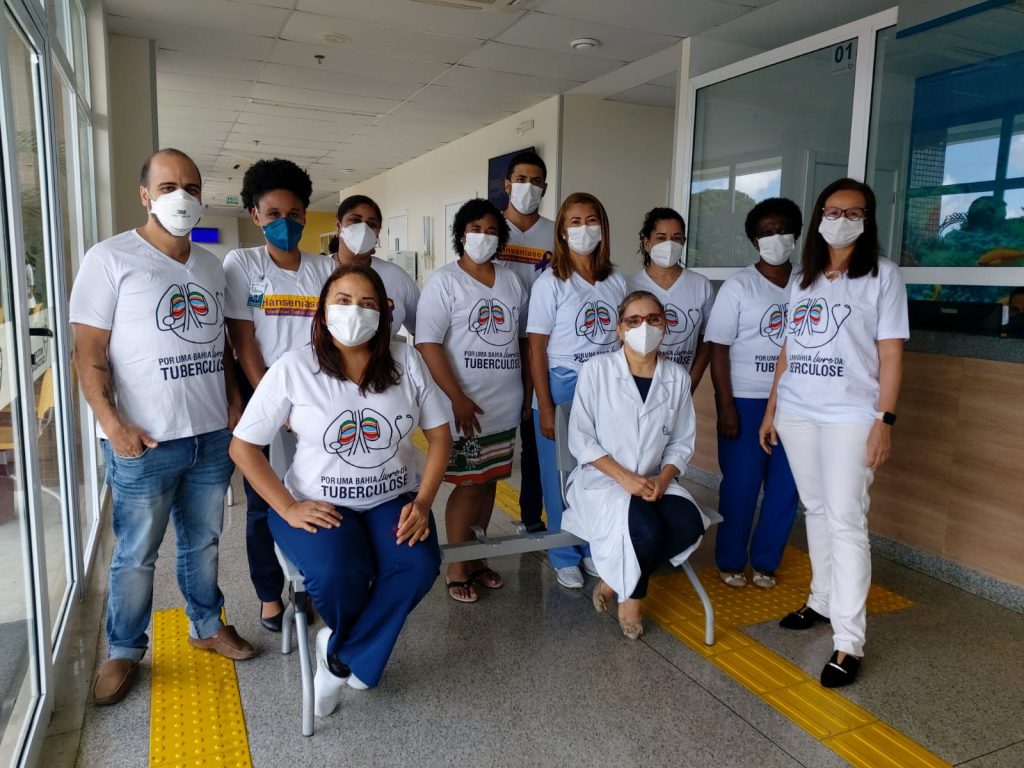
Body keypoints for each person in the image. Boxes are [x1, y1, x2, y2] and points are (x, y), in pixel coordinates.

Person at [70, 148, 256, 706]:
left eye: (192, 187)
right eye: (169, 186)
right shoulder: (109, 258)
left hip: (209, 437)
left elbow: (216, 344)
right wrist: (114, 425)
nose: (183, 197)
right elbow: (88, 355)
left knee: (202, 542)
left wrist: (228, 402)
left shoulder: (209, 264)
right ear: (145, 195)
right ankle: (124, 649)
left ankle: (206, 626)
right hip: (144, 442)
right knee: (135, 553)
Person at [230, 263, 451, 717]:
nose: (355, 312)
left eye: (368, 303)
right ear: (323, 311)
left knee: (418, 564)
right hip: (316, 501)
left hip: (392, 497)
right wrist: (288, 508)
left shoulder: (405, 361)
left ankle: (339, 655)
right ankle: (358, 652)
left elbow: (441, 435)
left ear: (385, 314)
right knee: (335, 573)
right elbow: (244, 446)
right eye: (343, 301)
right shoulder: (295, 367)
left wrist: (424, 502)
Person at [758, 178, 908, 688]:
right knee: (817, 510)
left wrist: (883, 421)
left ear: (867, 220)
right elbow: (789, 350)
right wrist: (772, 409)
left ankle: (848, 641)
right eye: (832, 209)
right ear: (820, 215)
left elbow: (890, 355)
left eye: (853, 211)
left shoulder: (883, 277)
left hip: (850, 416)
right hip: (798, 411)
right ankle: (821, 601)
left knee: (847, 519)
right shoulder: (804, 278)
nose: (841, 219)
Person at [224, 158, 334, 632]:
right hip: (263, 393)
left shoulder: (323, 268)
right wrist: (273, 399)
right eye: (272, 214)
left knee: (317, 489)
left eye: (292, 213)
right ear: (254, 215)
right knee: (264, 499)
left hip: (319, 394)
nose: (283, 223)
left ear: (306, 214)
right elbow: (243, 339)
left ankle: (312, 582)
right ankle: (270, 594)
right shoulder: (242, 263)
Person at [563, 291, 707, 639]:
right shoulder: (597, 371)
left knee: (689, 525)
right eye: (634, 320)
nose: (645, 327)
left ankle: (613, 581)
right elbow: (580, 438)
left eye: (653, 319)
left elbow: (681, 442)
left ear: (665, 325)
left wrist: (664, 477)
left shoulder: (677, 378)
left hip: (654, 480)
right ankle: (632, 597)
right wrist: (624, 478)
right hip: (603, 481)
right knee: (649, 531)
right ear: (619, 329)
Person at [416, 199, 529, 603]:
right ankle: (457, 565)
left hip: (504, 402)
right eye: (475, 229)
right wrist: (457, 398)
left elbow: (520, 340)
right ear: (461, 234)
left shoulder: (511, 281)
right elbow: (427, 344)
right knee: (466, 484)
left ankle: (478, 558)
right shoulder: (444, 281)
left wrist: (527, 393)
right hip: (464, 405)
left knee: (490, 481)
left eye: (491, 230)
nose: (483, 237)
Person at [528, 192, 628, 589]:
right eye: (574, 222)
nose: (583, 229)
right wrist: (547, 407)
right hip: (562, 386)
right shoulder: (550, 283)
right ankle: (563, 552)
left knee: (598, 474)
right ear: (562, 231)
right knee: (561, 478)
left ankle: (590, 548)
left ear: (602, 228)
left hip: (604, 389)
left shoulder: (616, 280)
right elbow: (536, 346)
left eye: (591, 221)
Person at [704, 197, 802, 589]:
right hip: (744, 399)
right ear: (753, 240)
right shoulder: (739, 286)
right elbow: (718, 348)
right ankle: (730, 560)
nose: (775, 238)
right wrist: (726, 405)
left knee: (785, 486)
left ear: (795, 233)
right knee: (742, 485)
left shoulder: (809, 282)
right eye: (765, 232)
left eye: (782, 230)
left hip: (795, 400)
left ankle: (765, 561)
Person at [497, 150, 553, 534]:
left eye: (535, 181)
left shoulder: (555, 233)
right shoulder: (490, 230)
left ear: (544, 188)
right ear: (506, 184)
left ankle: (531, 516)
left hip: (543, 345)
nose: (527, 188)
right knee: (499, 432)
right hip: (497, 346)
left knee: (536, 432)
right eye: (520, 179)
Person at [626, 207, 713, 391]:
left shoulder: (700, 285)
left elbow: (707, 340)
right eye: (661, 238)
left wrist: (691, 382)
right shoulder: (628, 285)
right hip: (636, 382)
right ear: (646, 243)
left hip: (681, 384)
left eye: (676, 238)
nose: (670, 244)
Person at [334, 194, 419, 339]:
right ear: (339, 226)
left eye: (371, 224)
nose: (363, 228)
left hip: (382, 360)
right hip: (326, 360)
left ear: (378, 232)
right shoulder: (319, 270)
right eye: (355, 220)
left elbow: (423, 331)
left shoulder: (396, 276)